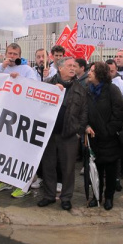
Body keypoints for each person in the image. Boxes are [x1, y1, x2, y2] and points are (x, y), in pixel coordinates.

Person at [37, 57, 88, 210]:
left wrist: (79, 131)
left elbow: (84, 112)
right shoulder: (47, 85)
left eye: (75, 66)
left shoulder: (80, 88)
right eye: (69, 66)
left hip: (70, 135)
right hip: (49, 134)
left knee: (68, 168)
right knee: (49, 166)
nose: (73, 68)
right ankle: (49, 195)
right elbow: (37, 105)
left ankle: (66, 198)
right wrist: (52, 91)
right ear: (60, 68)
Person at [0, 43, 37, 197]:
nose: (12, 56)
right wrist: (2, 67)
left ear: (20, 55)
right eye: (9, 53)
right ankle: (5, 180)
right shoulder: (1, 67)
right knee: (5, 149)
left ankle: (24, 185)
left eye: (15, 54)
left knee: (21, 152)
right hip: (5, 114)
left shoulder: (26, 70)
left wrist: (20, 80)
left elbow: (35, 87)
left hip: (21, 115)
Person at [85, 61, 123, 210]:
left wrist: (109, 130)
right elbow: (83, 112)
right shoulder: (87, 90)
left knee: (109, 171)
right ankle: (96, 197)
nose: (89, 73)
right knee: (95, 170)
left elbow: (120, 112)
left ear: (100, 74)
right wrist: (86, 126)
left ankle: (109, 197)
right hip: (93, 138)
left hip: (109, 139)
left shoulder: (112, 90)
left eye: (92, 71)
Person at [106, 59, 123, 192]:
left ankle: (116, 179)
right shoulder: (99, 84)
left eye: (112, 70)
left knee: (116, 154)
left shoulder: (122, 85)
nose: (110, 73)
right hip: (102, 125)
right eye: (107, 70)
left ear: (116, 70)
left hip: (117, 124)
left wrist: (117, 100)